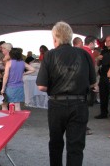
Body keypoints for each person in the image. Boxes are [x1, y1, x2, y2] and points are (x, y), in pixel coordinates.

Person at [36, 21, 96, 166]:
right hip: (79, 104)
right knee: (76, 147)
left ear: (55, 38)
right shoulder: (84, 54)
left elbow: (42, 86)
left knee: (56, 144)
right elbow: (93, 83)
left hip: (57, 104)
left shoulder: (49, 55)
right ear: (70, 36)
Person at [95, 35, 110, 120]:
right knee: (103, 95)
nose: (107, 42)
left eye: (109, 40)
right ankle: (103, 113)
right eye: (106, 41)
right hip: (103, 75)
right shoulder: (103, 51)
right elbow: (98, 64)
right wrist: (98, 58)